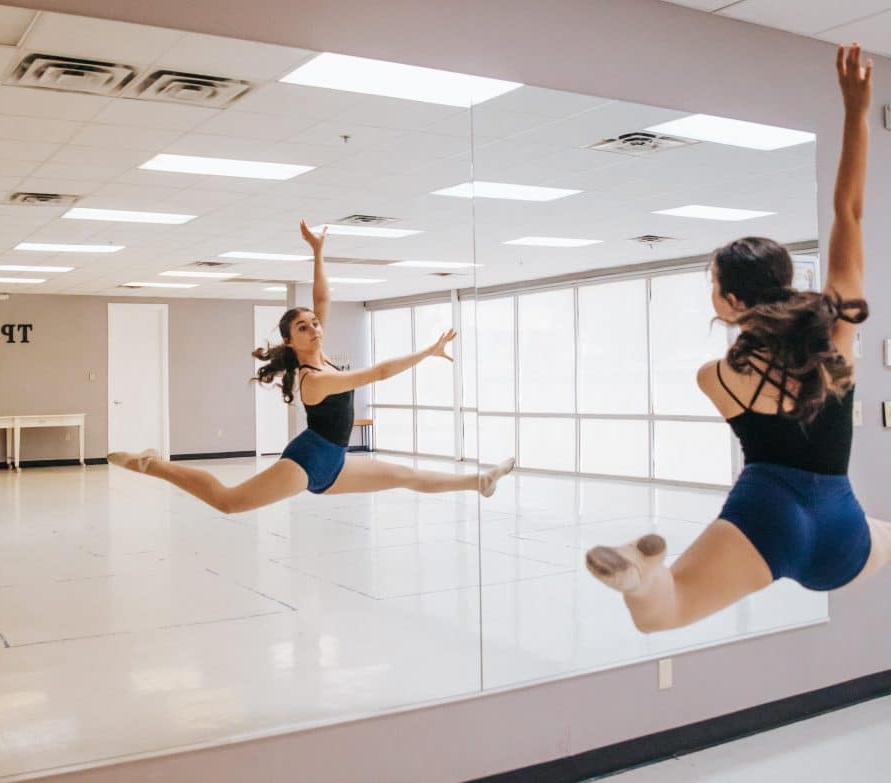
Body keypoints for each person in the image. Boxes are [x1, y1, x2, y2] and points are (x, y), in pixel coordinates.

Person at [585, 43, 890, 632]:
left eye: (711, 284)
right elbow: (849, 212)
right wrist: (856, 109)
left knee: (663, 613)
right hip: (840, 519)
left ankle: (644, 574)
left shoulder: (715, 376)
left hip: (766, 512)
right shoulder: (834, 335)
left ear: (729, 301)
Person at [108, 220, 515, 512]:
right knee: (228, 502)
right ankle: (151, 463)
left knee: (404, 476)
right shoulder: (314, 380)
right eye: (304, 327)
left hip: (334, 461)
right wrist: (426, 352)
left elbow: (322, 300)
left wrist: (318, 254)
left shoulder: (321, 356)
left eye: (316, 324)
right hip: (308, 459)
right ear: (291, 340)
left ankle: (478, 482)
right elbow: (377, 374)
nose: (315, 327)